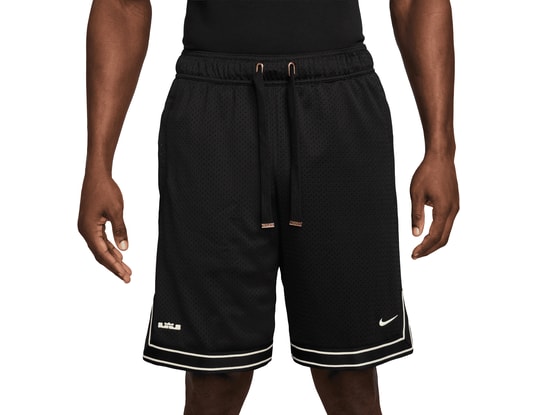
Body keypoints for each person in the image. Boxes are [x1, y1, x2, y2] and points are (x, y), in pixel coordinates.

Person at [78, 0, 459, 413]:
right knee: (214, 376)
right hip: (213, 112)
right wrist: (98, 165)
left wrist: (441, 148)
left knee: (349, 373)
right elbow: (123, 5)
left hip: (337, 106)